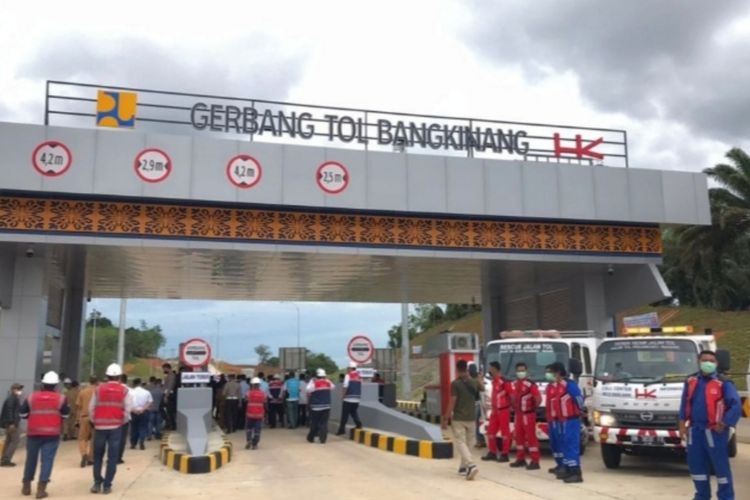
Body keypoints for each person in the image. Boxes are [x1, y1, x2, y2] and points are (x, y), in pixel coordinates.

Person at [679, 350, 742, 500]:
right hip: (695, 432)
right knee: (697, 468)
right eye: (705, 360)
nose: (708, 363)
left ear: (716, 363)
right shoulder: (691, 381)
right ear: (698, 361)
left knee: (721, 470)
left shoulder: (723, 383)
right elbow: (684, 403)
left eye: (711, 361)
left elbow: (736, 405)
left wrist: (725, 422)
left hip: (715, 432)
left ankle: (726, 497)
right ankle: (701, 496)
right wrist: (682, 421)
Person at [20, 371, 69, 498]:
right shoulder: (61, 398)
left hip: (33, 433)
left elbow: (23, 414)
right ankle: (41, 489)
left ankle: (26, 485)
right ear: (56, 385)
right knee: (47, 460)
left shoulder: (31, 397)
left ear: (42, 384)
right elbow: (65, 415)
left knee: (31, 459)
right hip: (51, 435)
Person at [90, 363, 132, 495]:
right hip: (115, 428)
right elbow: (127, 410)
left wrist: (95, 421)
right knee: (112, 457)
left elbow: (91, 408)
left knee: (98, 457)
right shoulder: (124, 391)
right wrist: (121, 422)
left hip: (100, 427)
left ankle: (97, 483)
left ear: (107, 376)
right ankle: (107, 485)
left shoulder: (98, 389)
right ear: (119, 377)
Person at [442, 359, 483, 481]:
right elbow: (482, 389)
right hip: (471, 418)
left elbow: (452, 402)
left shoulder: (455, 384)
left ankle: (470, 464)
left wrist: (445, 418)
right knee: (469, 444)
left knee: (461, 442)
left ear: (457, 370)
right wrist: (477, 377)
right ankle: (463, 468)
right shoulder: (474, 382)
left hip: (459, 418)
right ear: (467, 369)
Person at [550, 361, 584, 483]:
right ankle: (568, 469)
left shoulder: (569, 385)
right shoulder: (558, 385)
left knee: (571, 445)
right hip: (562, 421)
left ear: (558, 373)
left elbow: (579, 399)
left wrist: (580, 411)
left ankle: (576, 472)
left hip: (571, 420)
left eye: (552, 373)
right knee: (564, 445)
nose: (551, 375)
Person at [510, 362, 542, 470]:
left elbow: (538, 398)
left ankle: (535, 461)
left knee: (531, 438)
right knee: (519, 437)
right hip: (518, 414)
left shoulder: (530, 384)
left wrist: (533, 408)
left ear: (526, 371)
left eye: (522, 370)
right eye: (519, 371)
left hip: (528, 414)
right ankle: (520, 459)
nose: (520, 373)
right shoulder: (515, 384)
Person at [482, 361, 512, 462]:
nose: (489, 370)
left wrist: (511, 407)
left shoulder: (504, 382)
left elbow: (511, 395)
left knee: (505, 433)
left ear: (495, 369)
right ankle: (492, 452)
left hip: (504, 410)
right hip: (495, 411)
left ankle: (505, 454)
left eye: (491, 368)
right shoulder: (494, 382)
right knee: (491, 432)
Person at [306, 368, 335, 444]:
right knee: (324, 423)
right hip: (326, 406)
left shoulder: (314, 382)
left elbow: (308, 389)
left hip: (316, 407)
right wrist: (327, 380)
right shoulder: (328, 382)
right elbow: (333, 387)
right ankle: (323, 439)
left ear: (317, 375)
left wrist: (312, 381)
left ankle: (310, 438)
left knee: (314, 423)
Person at [76, 377, 98, 468]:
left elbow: (78, 406)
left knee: (82, 438)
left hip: (84, 417)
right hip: (96, 418)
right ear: (96, 382)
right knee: (94, 439)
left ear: (89, 381)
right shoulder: (98, 391)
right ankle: (91, 458)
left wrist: (77, 419)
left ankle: (84, 454)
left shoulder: (82, 392)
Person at [336, 362, 363, 436]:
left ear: (350, 368)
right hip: (357, 398)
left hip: (348, 398)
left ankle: (341, 430)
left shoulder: (348, 375)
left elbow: (345, 386)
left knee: (344, 414)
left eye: (348, 368)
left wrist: (343, 396)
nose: (347, 369)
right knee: (353, 412)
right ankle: (359, 424)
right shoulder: (359, 376)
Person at [0, 383, 23, 467]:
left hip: (9, 423)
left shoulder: (12, 398)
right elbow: (10, 411)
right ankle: (6, 459)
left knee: (8, 441)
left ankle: (3, 459)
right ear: (13, 389)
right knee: (15, 441)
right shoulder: (12, 399)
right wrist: (12, 423)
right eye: (18, 389)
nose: (20, 391)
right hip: (12, 423)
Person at [129, 378, 153, 450]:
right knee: (143, 427)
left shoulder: (130, 392)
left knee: (134, 428)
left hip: (133, 412)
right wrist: (143, 409)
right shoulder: (146, 392)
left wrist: (133, 410)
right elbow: (150, 402)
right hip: (144, 412)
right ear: (140, 383)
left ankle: (133, 444)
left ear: (133, 384)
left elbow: (128, 403)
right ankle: (141, 441)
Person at [245, 378, 266, 450]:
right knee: (257, 430)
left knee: (249, 429)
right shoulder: (262, 393)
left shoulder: (249, 393)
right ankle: (255, 444)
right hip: (259, 415)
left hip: (250, 414)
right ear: (259, 385)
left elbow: (246, 399)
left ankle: (249, 440)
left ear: (252, 385)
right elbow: (264, 400)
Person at [117, 374, 131, 465]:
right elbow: (130, 406)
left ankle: (111, 457)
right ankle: (118, 457)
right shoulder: (129, 391)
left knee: (112, 439)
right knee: (121, 439)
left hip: (112, 418)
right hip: (124, 419)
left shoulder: (111, 389)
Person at [162, 363, 177, 431]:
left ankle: (172, 425)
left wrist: (166, 396)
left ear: (167, 368)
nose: (163, 370)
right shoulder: (169, 375)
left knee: (169, 411)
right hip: (168, 394)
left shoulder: (171, 375)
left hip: (169, 395)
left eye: (164, 368)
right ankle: (170, 424)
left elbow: (170, 386)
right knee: (168, 411)